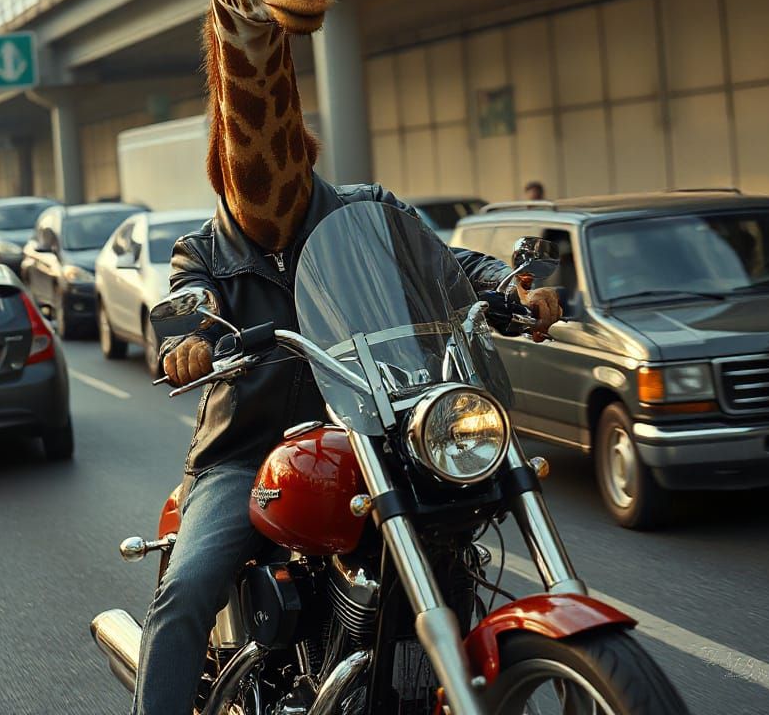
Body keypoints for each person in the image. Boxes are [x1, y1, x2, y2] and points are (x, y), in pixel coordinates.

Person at [132, 179, 562, 715]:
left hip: (375, 430)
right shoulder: (204, 250)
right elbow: (189, 306)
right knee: (187, 588)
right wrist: (187, 342)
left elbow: (444, 264)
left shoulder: (367, 210)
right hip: (246, 449)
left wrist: (508, 285)